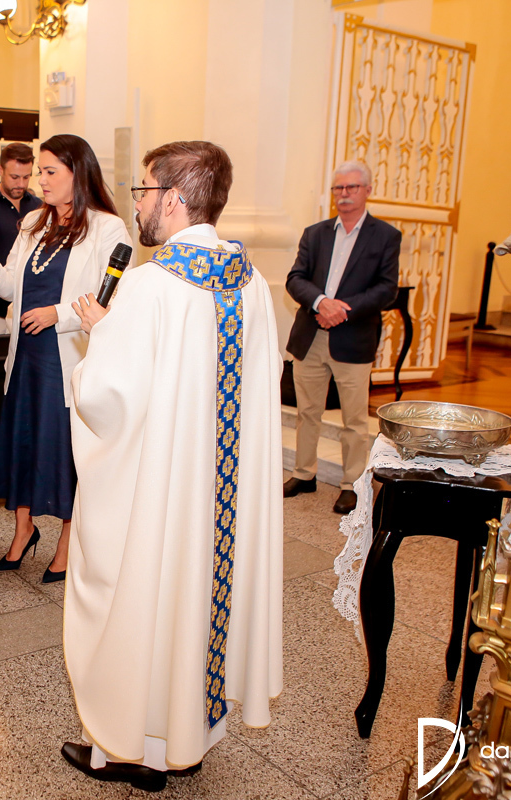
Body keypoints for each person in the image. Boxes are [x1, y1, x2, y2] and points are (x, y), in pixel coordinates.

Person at [60, 140, 284, 791]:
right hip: (220, 497)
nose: (139, 204)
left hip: (163, 493)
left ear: (176, 200)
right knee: (197, 598)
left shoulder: (152, 285)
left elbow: (109, 399)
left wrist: (101, 330)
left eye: (145, 190)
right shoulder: (251, 283)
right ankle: (186, 736)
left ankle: (130, 750)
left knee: (145, 593)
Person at [0, 134, 130, 584]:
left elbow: (110, 295)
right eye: (39, 172)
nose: (39, 181)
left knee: (63, 450)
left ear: (77, 174)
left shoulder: (107, 228)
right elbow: (12, 285)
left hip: (66, 355)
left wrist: (58, 314)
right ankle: (24, 528)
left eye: (49, 172)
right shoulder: (32, 222)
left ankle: (67, 541)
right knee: (24, 441)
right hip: (26, 354)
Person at [284, 160, 400, 514]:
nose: (344, 194)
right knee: (307, 412)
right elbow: (295, 278)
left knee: (354, 420)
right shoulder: (315, 233)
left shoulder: (385, 236)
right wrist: (321, 302)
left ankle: (352, 484)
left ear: (367, 190)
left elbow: (387, 289)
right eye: (339, 188)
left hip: (353, 339)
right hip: (311, 335)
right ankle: (304, 473)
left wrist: (342, 309)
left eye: (352, 187)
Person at [0, 143, 41, 327]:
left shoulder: (39, 208)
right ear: (0, 170)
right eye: (14, 177)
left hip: (30, 309)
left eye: (26, 177)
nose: (21, 184)